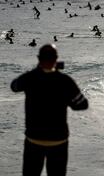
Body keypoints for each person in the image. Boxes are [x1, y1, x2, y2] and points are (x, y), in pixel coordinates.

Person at [10, 44, 88, 176]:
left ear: (38, 59)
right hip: (58, 141)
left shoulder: (30, 78)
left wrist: (36, 71)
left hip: (34, 139)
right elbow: (82, 105)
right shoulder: (65, 81)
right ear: (56, 59)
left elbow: (14, 86)